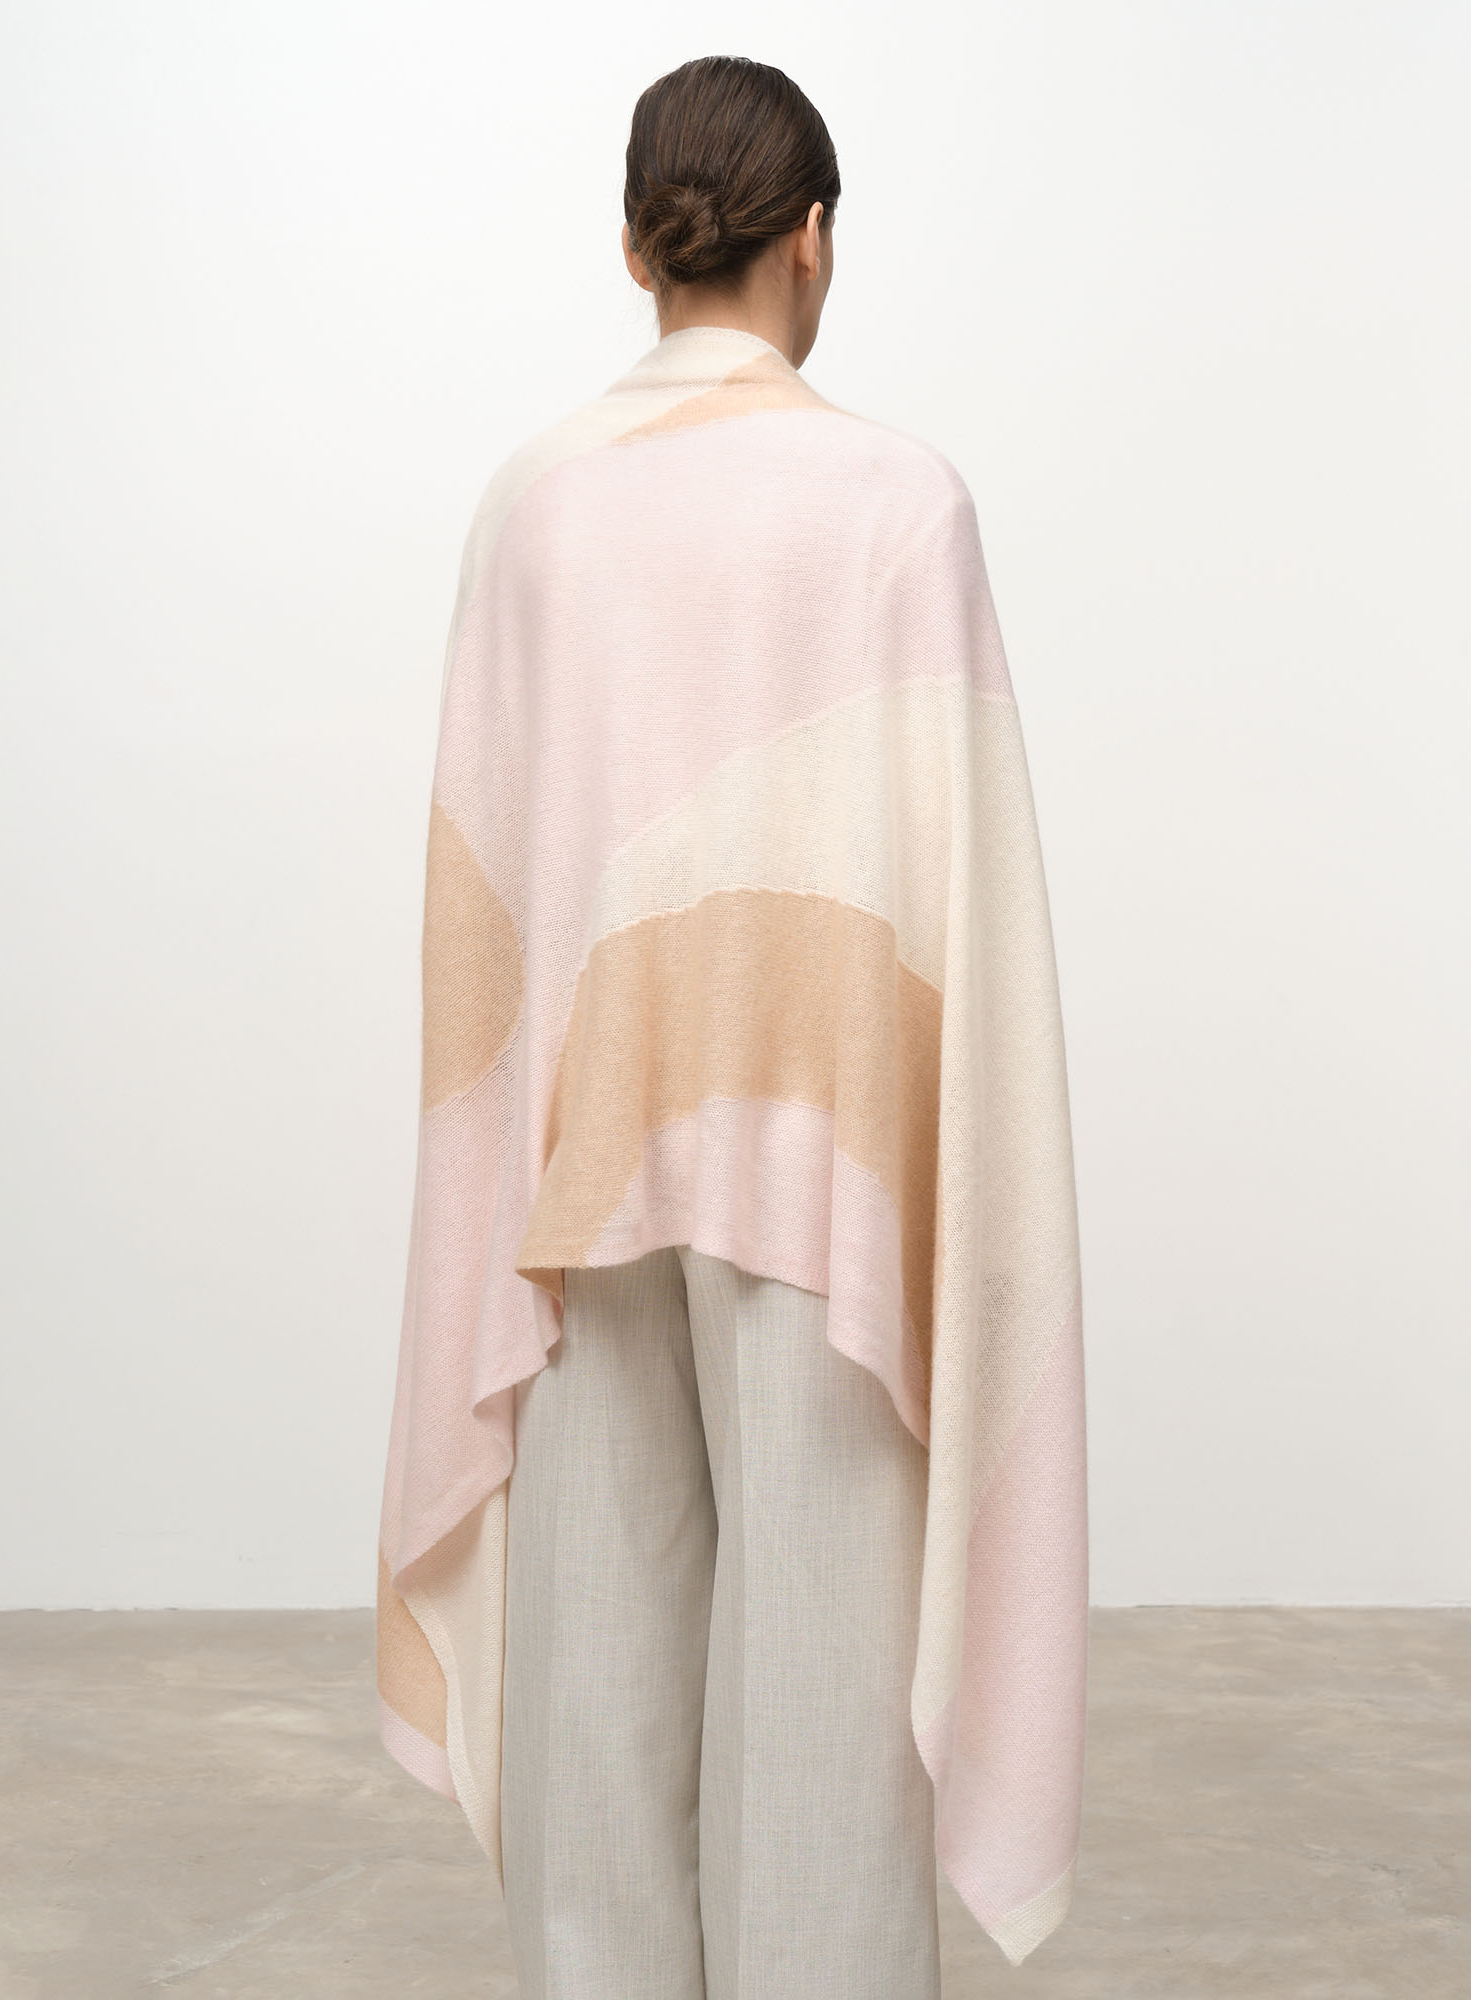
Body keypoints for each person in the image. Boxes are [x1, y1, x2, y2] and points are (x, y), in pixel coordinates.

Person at [375, 54, 1089, 2000]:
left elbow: (486, 888)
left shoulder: (531, 508)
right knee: (825, 1718)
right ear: (815, 240)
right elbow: (958, 891)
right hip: (825, 1166)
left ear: (634, 245)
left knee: (593, 1704)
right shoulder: (898, 504)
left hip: (580, 1163)